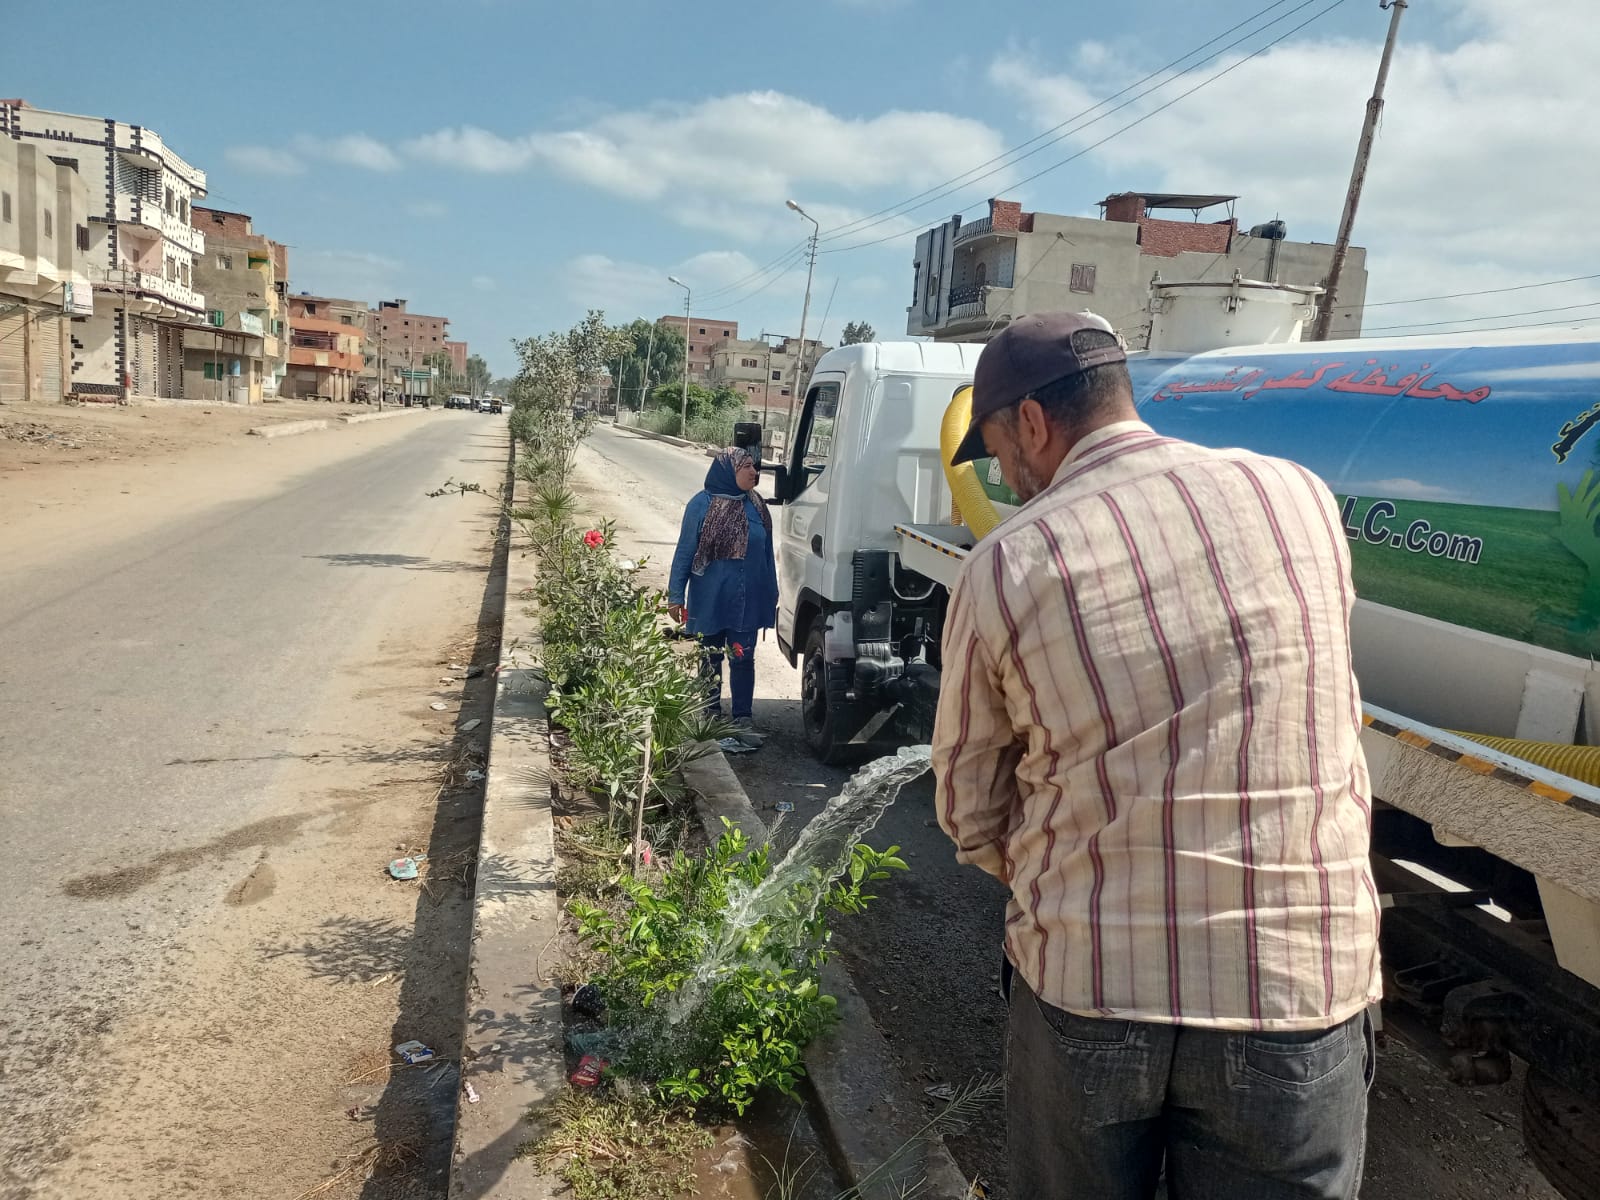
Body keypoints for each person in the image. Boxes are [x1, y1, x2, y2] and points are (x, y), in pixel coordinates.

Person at [931, 312, 1382, 1199]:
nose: (1006, 480)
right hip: (1295, 989)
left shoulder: (1012, 561)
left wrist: (1069, 870)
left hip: (1089, 989)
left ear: (1031, 423)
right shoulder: (1298, 497)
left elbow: (969, 808)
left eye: (995, 454)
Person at [668, 446, 779, 741]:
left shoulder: (756, 505)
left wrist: (772, 593)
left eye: (755, 467)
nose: (755, 472)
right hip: (710, 598)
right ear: (730, 471)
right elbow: (684, 552)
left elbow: (767, 556)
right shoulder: (701, 505)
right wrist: (675, 595)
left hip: (748, 599)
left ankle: (742, 718)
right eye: (747, 467)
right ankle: (710, 714)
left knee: (744, 658)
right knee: (709, 656)